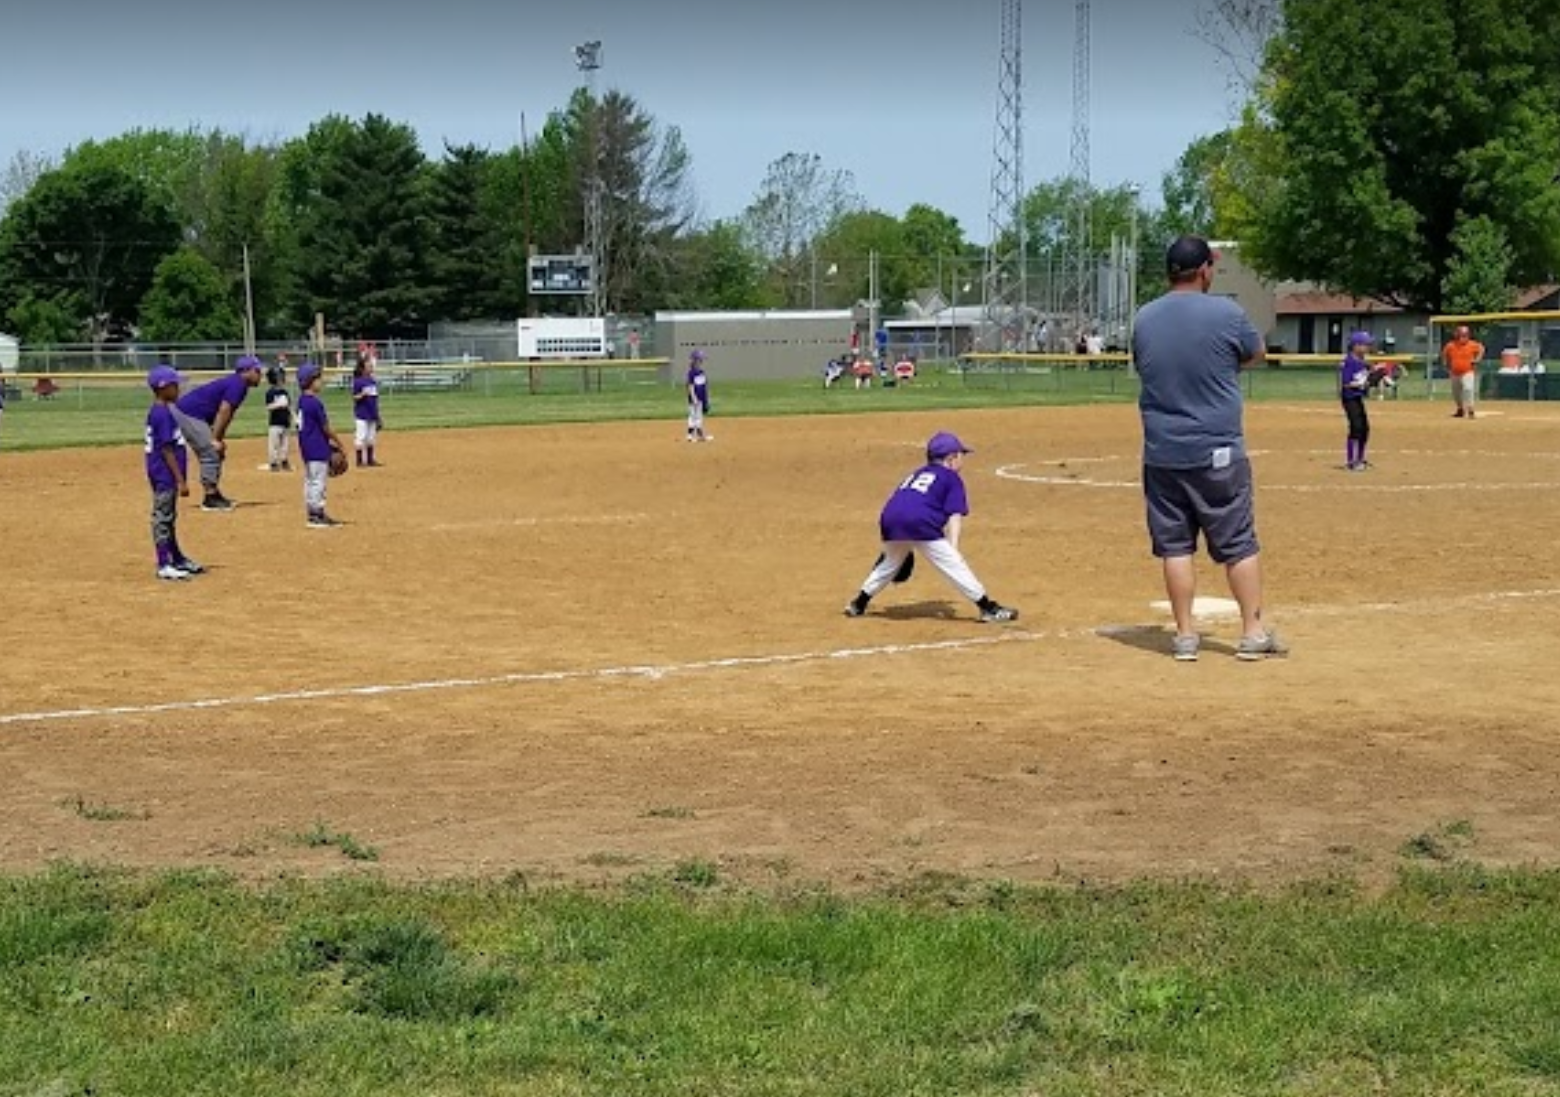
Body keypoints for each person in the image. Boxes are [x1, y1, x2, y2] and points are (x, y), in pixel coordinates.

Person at [1131, 235, 1285, 662]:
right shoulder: (1227, 312)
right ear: (1203, 270)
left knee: (1175, 546)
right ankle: (1253, 633)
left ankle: (1184, 636)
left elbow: (1145, 363)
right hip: (1217, 450)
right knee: (1237, 542)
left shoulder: (1144, 318)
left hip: (1163, 451)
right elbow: (1256, 353)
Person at [843, 431, 1018, 624]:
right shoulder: (951, 478)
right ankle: (988, 608)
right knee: (953, 565)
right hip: (920, 522)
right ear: (951, 459)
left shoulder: (916, 473)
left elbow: (903, 501)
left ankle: (858, 604)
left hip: (889, 519)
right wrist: (953, 547)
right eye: (961, 455)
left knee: (890, 562)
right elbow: (954, 514)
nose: (962, 460)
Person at [171, 355, 264, 510]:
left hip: (192, 414)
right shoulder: (238, 384)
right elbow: (224, 411)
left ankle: (213, 492)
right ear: (246, 371)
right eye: (257, 370)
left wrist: (218, 438)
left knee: (216, 450)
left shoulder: (237, 383)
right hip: (189, 414)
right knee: (211, 451)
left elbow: (225, 413)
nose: (260, 374)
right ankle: (210, 498)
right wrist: (215, 439)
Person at [144, 365, 205, 580]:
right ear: (163, 388)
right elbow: (167, 450)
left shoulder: (162, 410)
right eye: (174, 385)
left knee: (169, 517)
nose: (178, 388)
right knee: (163, 517)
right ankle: (163, 563)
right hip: (165, 474)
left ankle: (176, 558)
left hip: (164, 473)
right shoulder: (162, 414)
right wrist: (181, 480)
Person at [296, 362, 347, 528]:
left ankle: (312, 511)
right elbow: (326, 428)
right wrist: (339, 443)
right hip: (317, 447)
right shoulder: (315, 403)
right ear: (311, 381)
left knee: (310, 480)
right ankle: (317, 515)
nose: (321, 382)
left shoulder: (302, 401)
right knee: (319, 481)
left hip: (307, 447)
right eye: (318, 379)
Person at [1339, 331, 1374, 471]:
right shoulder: (1349, 361)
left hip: (1357, 397)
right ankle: (1351, 461)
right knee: (1356, 427)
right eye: (1365, 345)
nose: (1368, 347)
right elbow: (1346, 383)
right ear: (1356, 346)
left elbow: (1366, 377)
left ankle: (1360, 458)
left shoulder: (1362, 361)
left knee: (1365, 428)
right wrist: (1362, 383)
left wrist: (1373, 375)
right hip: (1349, 398)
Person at [1441, 324, 1485, 418]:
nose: (1463, 337)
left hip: (1467, 372)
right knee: (1456, 393)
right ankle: (1460, 409)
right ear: (1457, 335)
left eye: (1465, 334)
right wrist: (1445, 363)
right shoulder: (1451, 345)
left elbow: (1481, 349)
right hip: (1454, 372)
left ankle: (1470, 409)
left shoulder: (1472, 344)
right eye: (1461, 334)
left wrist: (1477, 359)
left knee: (1468, 389)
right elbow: (1445, 354)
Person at [351, 357, 383, 466]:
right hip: (361, 414)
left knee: (371, 438)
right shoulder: (358, 381)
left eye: (371, 366)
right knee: (361, 437)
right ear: (363, 368)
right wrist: (361, 395)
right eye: (369, 366)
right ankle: (359, 461)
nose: (371, 367)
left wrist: (378, 416)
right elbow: (354, 397)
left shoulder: (372, 381)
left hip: (372, 414)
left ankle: (370, 460)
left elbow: (375, 400)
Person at [264, 366, 293, 472]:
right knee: (274, 444)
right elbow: (268, 407)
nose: (281, 379)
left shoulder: (284, 392)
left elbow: (289, 406)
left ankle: (284, 461)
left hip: (285, 422)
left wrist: (294, 418)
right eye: (279, 377)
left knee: (285, 445)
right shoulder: (270, 393)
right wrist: (278, 404)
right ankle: (273, 463)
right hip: (274, 423)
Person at [685, 349, 712, 442]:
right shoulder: (691, 372)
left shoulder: (701, 372)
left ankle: (700, 435)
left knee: (699, 416)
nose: (701, 361)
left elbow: (705, 385)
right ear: (695, 360)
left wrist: (707, 399)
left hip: (701, 398)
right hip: (694, 399)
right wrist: (694, 398)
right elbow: (690, 386)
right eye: (700, 359)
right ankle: (690, 435)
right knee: (693, 416)